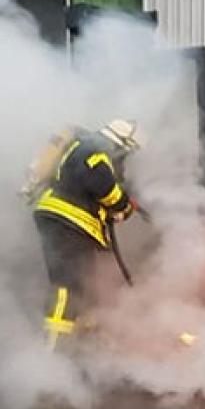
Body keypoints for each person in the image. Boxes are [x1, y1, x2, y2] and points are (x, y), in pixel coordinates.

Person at [33, 119, 142, 350]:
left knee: (83, 284)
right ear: (121, 143)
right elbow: (104, 188)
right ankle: (53, 349)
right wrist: (123, 205)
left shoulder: (82, 148)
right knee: (67, 285)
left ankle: (83, 345)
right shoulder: (95, 152)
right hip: (68, 222)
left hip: (72, 225)